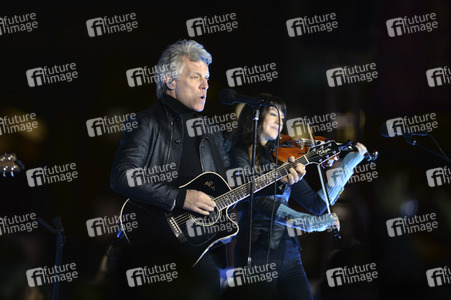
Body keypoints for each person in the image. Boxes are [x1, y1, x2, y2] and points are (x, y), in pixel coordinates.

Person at [109, 40, 229, 299]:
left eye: (207, 78)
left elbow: (229, 185)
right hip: (155, 243)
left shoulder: (213, 130)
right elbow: (122, 176)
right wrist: (180, 197)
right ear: (170, 81)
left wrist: (279, 179)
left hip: (202, 246)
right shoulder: (146, 121)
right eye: (196, 76)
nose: (205, 85)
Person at [226, 94, 367, 299]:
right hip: (255, 255)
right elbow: (259, 202)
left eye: (282, 116)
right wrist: (308, 223)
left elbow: (317, 204)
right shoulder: (239, 153)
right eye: (273, 114)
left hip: (289, 255)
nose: (279, 121)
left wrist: (346, 166)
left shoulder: (281, 156)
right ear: (255, 116)